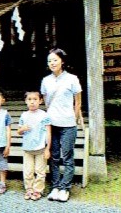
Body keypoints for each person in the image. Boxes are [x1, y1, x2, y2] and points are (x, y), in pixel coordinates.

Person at [40, 48, 82, 202]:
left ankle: (65, 188)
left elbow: (78, 102)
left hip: (68, 124)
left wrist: (74, 118)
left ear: (62, 61)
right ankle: (56, 186)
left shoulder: (72, 79)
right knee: (54, 157)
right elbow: (46, 102)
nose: (52, 63)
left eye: (55, 60)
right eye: (49, 61)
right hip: (52, 124)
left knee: (68, 156)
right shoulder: (45, 81)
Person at [17, 91, 51, 201]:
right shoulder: (24, 115)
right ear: (26, 101)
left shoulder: (44, 115)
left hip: (40, 148)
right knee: (28, 171)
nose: (32, 102)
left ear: (40, 101)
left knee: (40, 171)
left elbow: (48, 132)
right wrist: (22, 129)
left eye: (35, 99)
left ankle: (38, 190)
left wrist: (47, 148)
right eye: (29, 99)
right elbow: (19, 131)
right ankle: (29, 189)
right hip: (27, 149)